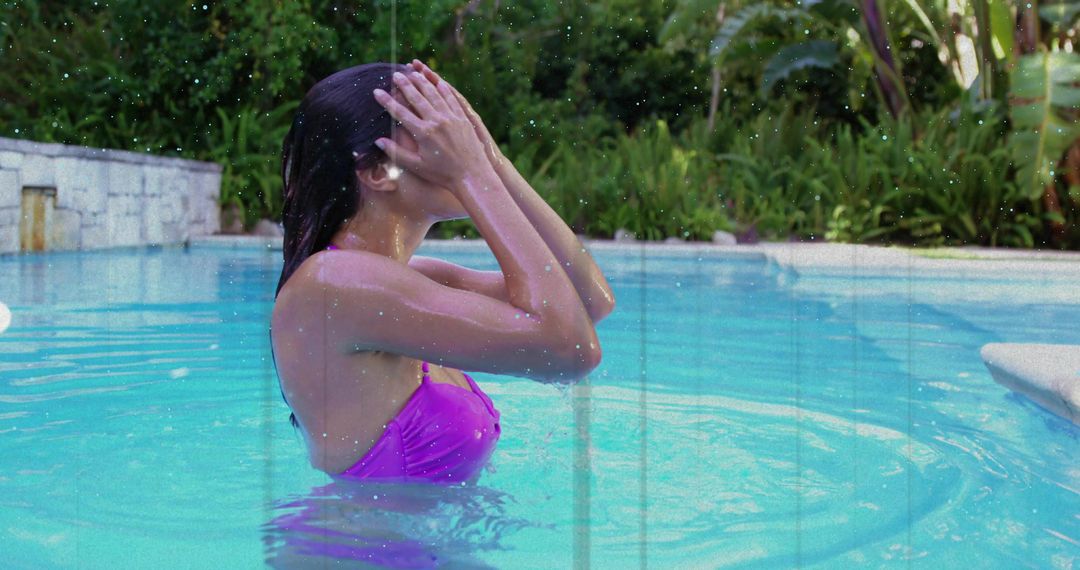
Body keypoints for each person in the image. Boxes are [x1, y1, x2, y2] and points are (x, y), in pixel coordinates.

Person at [269, 59, 615, 484]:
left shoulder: (412, 281)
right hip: (357, 551)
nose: (454, 141)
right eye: (431, 129)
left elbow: (588, 302)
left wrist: (494, 162)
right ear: (379, 171)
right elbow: (570, 350)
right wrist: (471, 173)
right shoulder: (334, 285)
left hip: (423, 549)